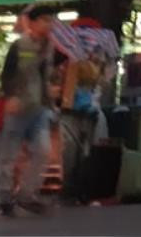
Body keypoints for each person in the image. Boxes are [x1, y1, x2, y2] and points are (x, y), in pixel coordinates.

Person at [0, 5, 56, 219]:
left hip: (39, 109)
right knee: (8, 157)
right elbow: (6, 75)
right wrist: (11, 96)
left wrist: (51, 99)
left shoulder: (49, 48)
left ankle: (26, 195)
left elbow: (46, 77)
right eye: (45, 20)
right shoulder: (19, 45)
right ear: (33, 22)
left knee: (43, 151)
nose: (49, 24)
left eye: (51, 20)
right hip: (18, 107)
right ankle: (4, 199)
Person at [54, 48, 103, 204]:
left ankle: (69, 190)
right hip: (87, 115)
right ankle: (80, 190)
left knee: (70, 152)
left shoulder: (73, 66)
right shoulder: (91, 68)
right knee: (83, 152)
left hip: (72, 114)